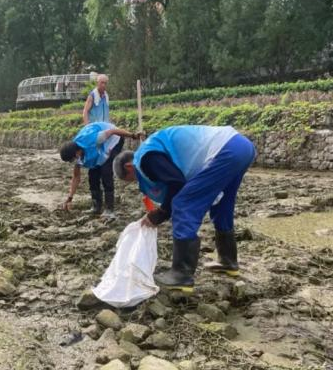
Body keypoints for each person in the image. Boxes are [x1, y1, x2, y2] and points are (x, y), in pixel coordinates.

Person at [113, 125, 256, 289]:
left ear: (129, 167)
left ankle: (181, 273)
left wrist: (161, 213)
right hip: (241, 146)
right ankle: (228, 261)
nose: (137, 182)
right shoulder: (153, 149)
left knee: (183, 203)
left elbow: (177, 184)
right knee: (222, 204)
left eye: (132, 179)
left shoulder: (145, 159)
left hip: (226, 150)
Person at [60, 122, 139, 220]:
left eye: (72, 159)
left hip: (114, 139)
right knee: (93, 176)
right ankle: (96, 207)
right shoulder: (77, 155)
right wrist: (70, 198)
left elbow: (113, 131)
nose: (73, 162)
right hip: (97, 148)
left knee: (106, 172)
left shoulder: (94, 139)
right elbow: (76, 177)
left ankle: (109, 209)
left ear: (77, 153)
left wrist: (133, 135)